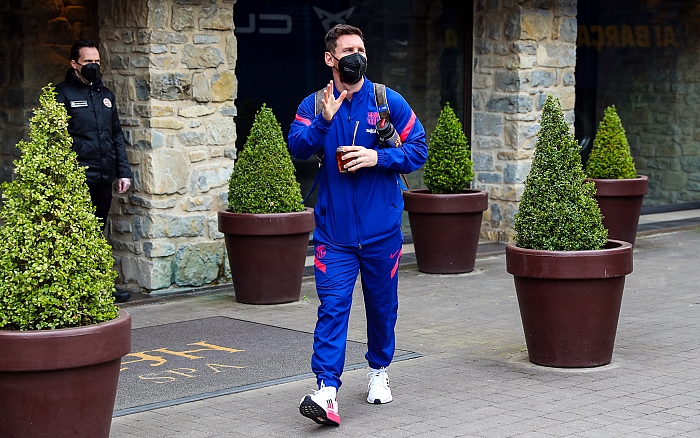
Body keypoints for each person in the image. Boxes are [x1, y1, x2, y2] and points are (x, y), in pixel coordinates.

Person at [289, 24, 427, 426]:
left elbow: (418, 149)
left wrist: (377, 158)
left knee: (382, 307)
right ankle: (326, 390)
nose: (357, 57)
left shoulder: (387, 101)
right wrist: (323, 122)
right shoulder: (314, 104)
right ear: (330, 59)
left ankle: (378, 370)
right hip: (334, 236)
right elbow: (296, 147)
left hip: (382, 232)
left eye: (361, 49)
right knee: (332, 309)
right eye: (348, 50)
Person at [56, 39, 133, 303]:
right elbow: (55, 138)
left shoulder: (105, 95)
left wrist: (123, 172)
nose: (94, 66)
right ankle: (72, 292)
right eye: (88, 61)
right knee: (75, 235)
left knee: (98, 233)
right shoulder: (62, 94)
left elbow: (116, 136)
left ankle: (100, 289)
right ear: (74, 64)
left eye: (97, 61)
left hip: (102, 178)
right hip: (76, 178)